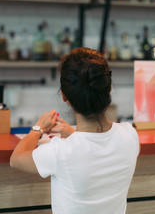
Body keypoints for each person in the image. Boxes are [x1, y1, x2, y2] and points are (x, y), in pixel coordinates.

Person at [10, 47, 139, 214]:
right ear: (109, 89)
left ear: (64, 97)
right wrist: (74, 135)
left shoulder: (61, 152)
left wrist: (38, 128)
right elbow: (96, 149)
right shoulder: (130, 135)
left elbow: (16, 159)